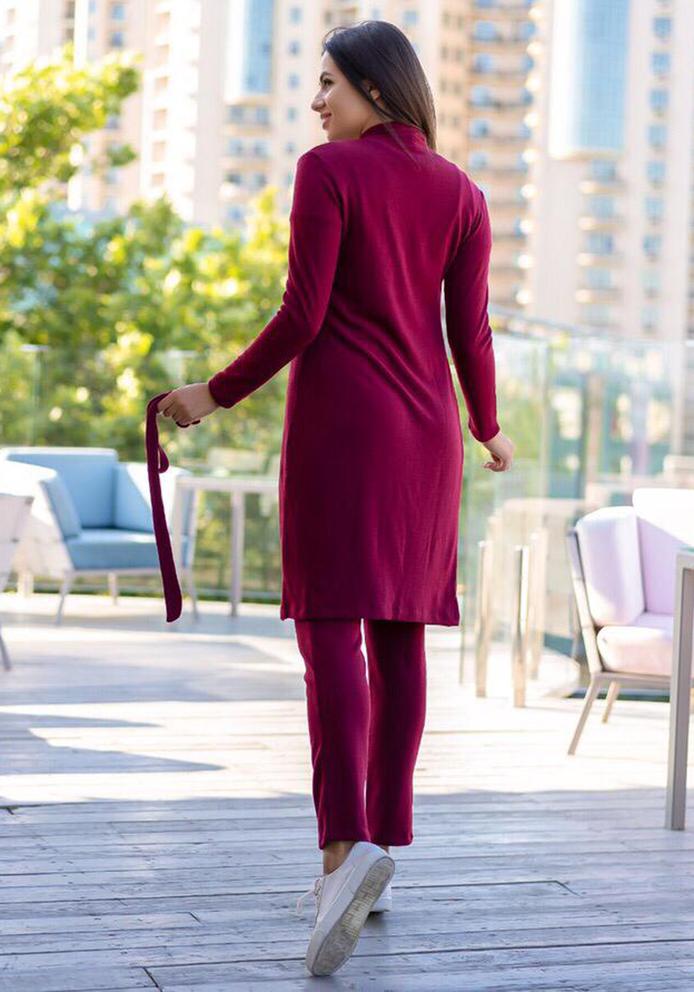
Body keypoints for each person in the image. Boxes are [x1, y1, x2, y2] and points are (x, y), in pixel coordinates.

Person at [155, 19, 514, 978]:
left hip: (344, 432)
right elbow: (471, 330)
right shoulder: (463, 192)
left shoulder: (328, 173)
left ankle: (339, 858)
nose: (316, 102)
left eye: (330, 84)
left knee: (329, 638)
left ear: (378, 90)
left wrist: (214, 392)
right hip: (427, 440)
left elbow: (303, 312)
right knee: (397, 639)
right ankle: (379, 847)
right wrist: (487, 426)